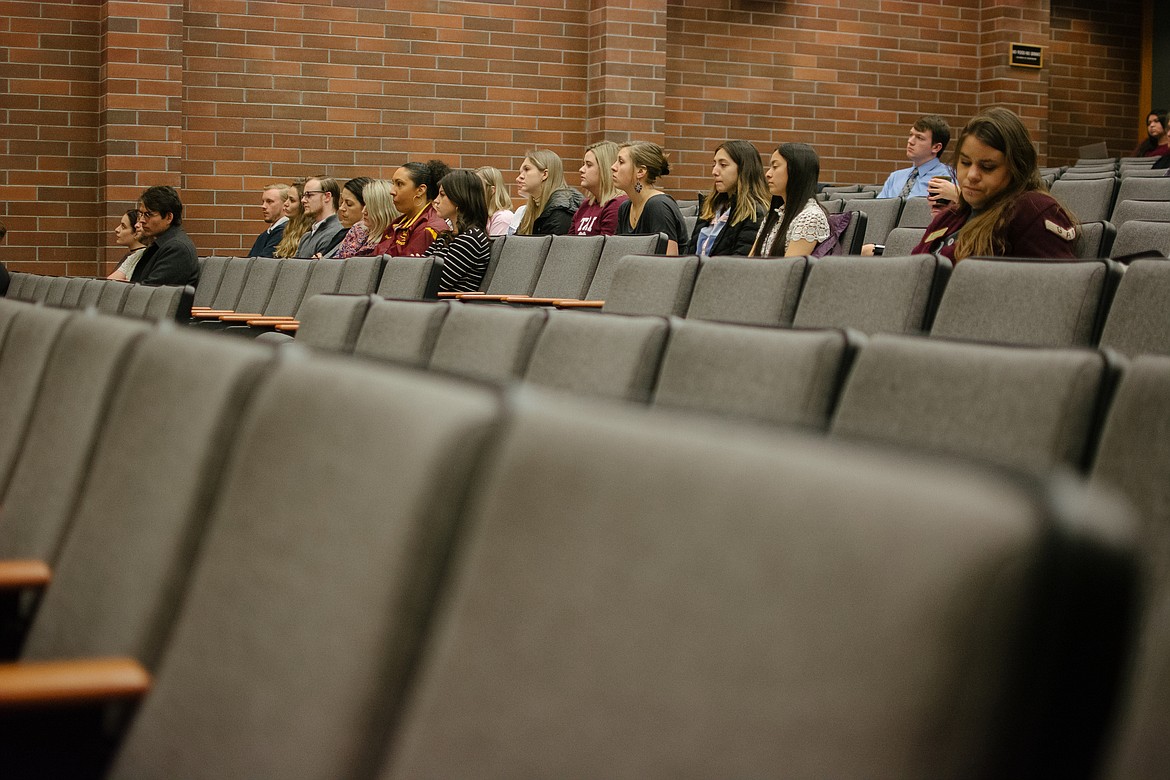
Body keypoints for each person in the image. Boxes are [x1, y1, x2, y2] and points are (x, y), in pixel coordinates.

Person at [912, 107, 1078, 262]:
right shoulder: (949, 216)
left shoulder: (1032, 211)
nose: (972, 175)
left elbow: (1058, 285)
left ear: (1016, 168)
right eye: (965, 162)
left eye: (988, 167)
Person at [689, 139, 770, 256]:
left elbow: (738, 264)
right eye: (714, 164)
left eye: (723, 165)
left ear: (743, 169)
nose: (714, 171)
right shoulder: (710, 206)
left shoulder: (754, 213)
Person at [750, 143, 831, 257]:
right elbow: (751, 259)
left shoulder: (811, 217)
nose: (768, 174)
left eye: (775, 167)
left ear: (796, 171)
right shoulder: (776, 213)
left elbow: (788, 271)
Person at [611, 141, 687, 255]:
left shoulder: (659, 206)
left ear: (640, 171)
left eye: (621, 162)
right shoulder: (625, 208)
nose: (613, 167)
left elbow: (669, 263)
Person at [428, 169, 492, 293]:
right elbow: (419, 271)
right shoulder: (445, 236)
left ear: (459, 198)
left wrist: (420, 269)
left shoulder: (472, 238)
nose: (436, 200)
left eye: (442, 194)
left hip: (452, 308)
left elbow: (435, 283)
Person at [372, 160, 450, 256]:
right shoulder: (399, 222)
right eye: (393, 183)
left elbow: (404, 268)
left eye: (399, 184)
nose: (392, 191)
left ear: (420, 190)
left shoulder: (429, 228)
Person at [131, 185, 200, 286]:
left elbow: (151, 292)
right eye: (141, 214)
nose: (141, 220)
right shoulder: (164, 243)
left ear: (168, 217)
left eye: (148, 215)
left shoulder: (177, 249)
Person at [877, 115, 955, 199]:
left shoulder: (948, 178)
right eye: (911, 135)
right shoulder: (895, 178)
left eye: (919, 138)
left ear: (936, 147)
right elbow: (878, 210)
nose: (910, 141)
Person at [514, 150, 583, 236]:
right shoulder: (533, 209)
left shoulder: (561, 211)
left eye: (527, 169)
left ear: (545, 174)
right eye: (520, 172)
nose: (519, 178)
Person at [570, 141, 627, 236]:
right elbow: (568, 242)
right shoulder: (585, 205)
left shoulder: (617, 205)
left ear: (605, 169)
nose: (581, 169)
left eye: (589, 165)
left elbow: (605, 246)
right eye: (583, 164)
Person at [295, 176, 348, 258]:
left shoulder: (335, 234)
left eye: (309, 195)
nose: (303, 200)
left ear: (327, 196)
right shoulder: (306, 236)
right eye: (303, 195)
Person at [322, 177, 372, 259]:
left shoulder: (371, 241)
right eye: (342, 202)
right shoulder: (341, 234)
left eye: (349, 204)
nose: (341, 208)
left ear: (366, 206)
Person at [355, 179, 397, 256]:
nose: (363, 211)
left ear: (383, 210)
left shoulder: (394, 241)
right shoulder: (357, 229)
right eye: (364, 204)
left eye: (370, 207)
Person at [247, 184, 289, 258]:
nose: (263, 206)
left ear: (285, 204)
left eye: (269, 201)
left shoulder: (285, 232)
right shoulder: (268, 233)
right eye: (263, 201)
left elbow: (262, 263)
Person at [274, 179, 312, 259]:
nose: (286, 203)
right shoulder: (287, 229)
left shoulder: (309, 234)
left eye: (292, 200)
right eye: (287, 198)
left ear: (303, 204)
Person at [108, 209, 148, 281]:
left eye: (123, 227)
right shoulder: (133, 255)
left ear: (136, 231)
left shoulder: (143, 255)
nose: (117, 229)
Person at [475, 166, 515, 237]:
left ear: (492, 190)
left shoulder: (503, 217)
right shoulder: (486, 215)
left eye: (477, 186)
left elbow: (495, 247)